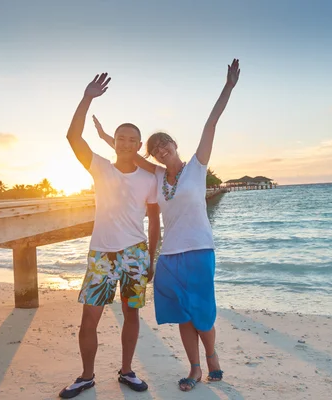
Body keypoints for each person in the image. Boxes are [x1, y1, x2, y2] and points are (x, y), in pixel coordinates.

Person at [94, 59, 240, 391]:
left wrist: (227, 88)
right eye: (156, 149)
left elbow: (211, 123)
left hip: (199, 250)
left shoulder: (197, 167)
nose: (161, 151)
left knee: (202, 311)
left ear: (174, 144)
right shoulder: (158, 175)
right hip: (170, 257)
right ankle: (194, 368)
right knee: (182, 315)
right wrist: (106, 137)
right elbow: (128, 156)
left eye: (165, 145)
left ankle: (212, 355)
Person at [60, 72, 161, 398]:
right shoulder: (100, 166)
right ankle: (87, 376)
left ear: (139, 145)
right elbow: (73, 136)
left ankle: (127, 371)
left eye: (133, 139)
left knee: (132, 314)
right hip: (102, 253)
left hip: (135, 253)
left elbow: (155, 221)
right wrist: (86, 96)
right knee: (89, 317)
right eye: (121, 137)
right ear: (114, 141)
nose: (126, 143)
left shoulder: (150, 179)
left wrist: (152, 260)